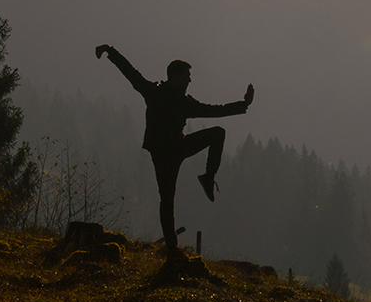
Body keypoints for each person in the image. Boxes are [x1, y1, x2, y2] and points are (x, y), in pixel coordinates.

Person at [95, 45, 254, 254]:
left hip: (170, 149)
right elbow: (130, 72)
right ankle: (173, 247)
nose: (190, 80)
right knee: (168, 198)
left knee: (168, 197)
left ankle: (206, 181)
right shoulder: (166, 95)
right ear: (176, 76)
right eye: (187, 76)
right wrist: (110, 51)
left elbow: (131, 73)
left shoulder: (161, 94)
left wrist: (243, 104)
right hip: (168, 151)